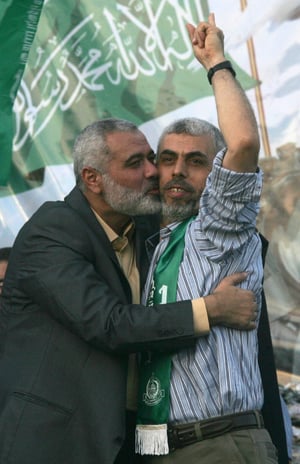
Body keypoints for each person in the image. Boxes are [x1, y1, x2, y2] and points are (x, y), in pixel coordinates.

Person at [0, 117, 258, 464]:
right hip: (58, 443)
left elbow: (217, 206)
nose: (153, 171)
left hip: (134, 443)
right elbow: (108, 324)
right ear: (92, 178)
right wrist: (211, 309)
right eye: (135, 163)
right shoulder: (52, 230)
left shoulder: (149, 231)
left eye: (152, 158)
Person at [135, 14, 287, 464]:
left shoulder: (217, 228)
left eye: (196, 160)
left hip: (219, 445)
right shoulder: (154, 244)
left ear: (217, 172)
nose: (178, 170)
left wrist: (216, 62)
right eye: (167, 158)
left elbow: (242, 144)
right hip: (163, 445)